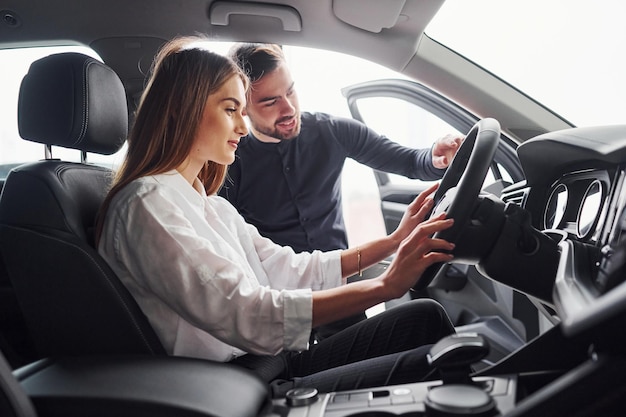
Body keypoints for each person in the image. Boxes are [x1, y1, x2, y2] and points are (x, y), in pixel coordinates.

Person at [95, 36, 457, 398]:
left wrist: (395, 243)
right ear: (182, 110)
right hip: (232, 387)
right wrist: (386, 285)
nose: (241, 126)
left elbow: (290, 269)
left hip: (271, 360)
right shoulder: (147, 204)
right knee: (438, 358)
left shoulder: (208, 204)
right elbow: (246, 312)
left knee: (424, 317)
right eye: (230, 109)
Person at [220, 42, 463, 339]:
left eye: (291, 92)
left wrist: (436, 156)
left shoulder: (331, 131)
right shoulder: (229, 162)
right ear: (243, 108)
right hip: (276, 301)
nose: (289, 108)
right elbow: (228, 246)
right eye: (270, 102)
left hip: (339, 283)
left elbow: (411, 160)